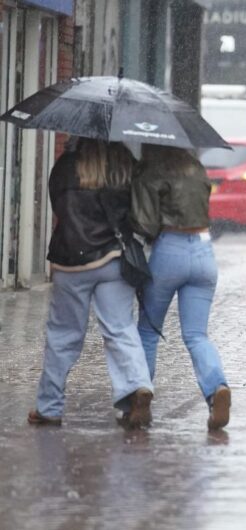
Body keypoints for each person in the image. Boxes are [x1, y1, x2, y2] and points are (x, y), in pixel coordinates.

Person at [29, 138, 154, 429]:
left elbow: (58, 206)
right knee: (120, 328)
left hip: (70, 261)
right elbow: (137, 213)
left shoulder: (65, 166)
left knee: (63, 336)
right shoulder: (124, 164)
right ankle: (138, 385)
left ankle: (49, 408)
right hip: (112, 259)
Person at [131, 145, 232, 431]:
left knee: (148, 332)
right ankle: (217, 388)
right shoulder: (196, 167)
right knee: (197, 335)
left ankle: (140, 392)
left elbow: (145, 222)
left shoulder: (153, 169)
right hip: (203, 249)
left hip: (170, 248)